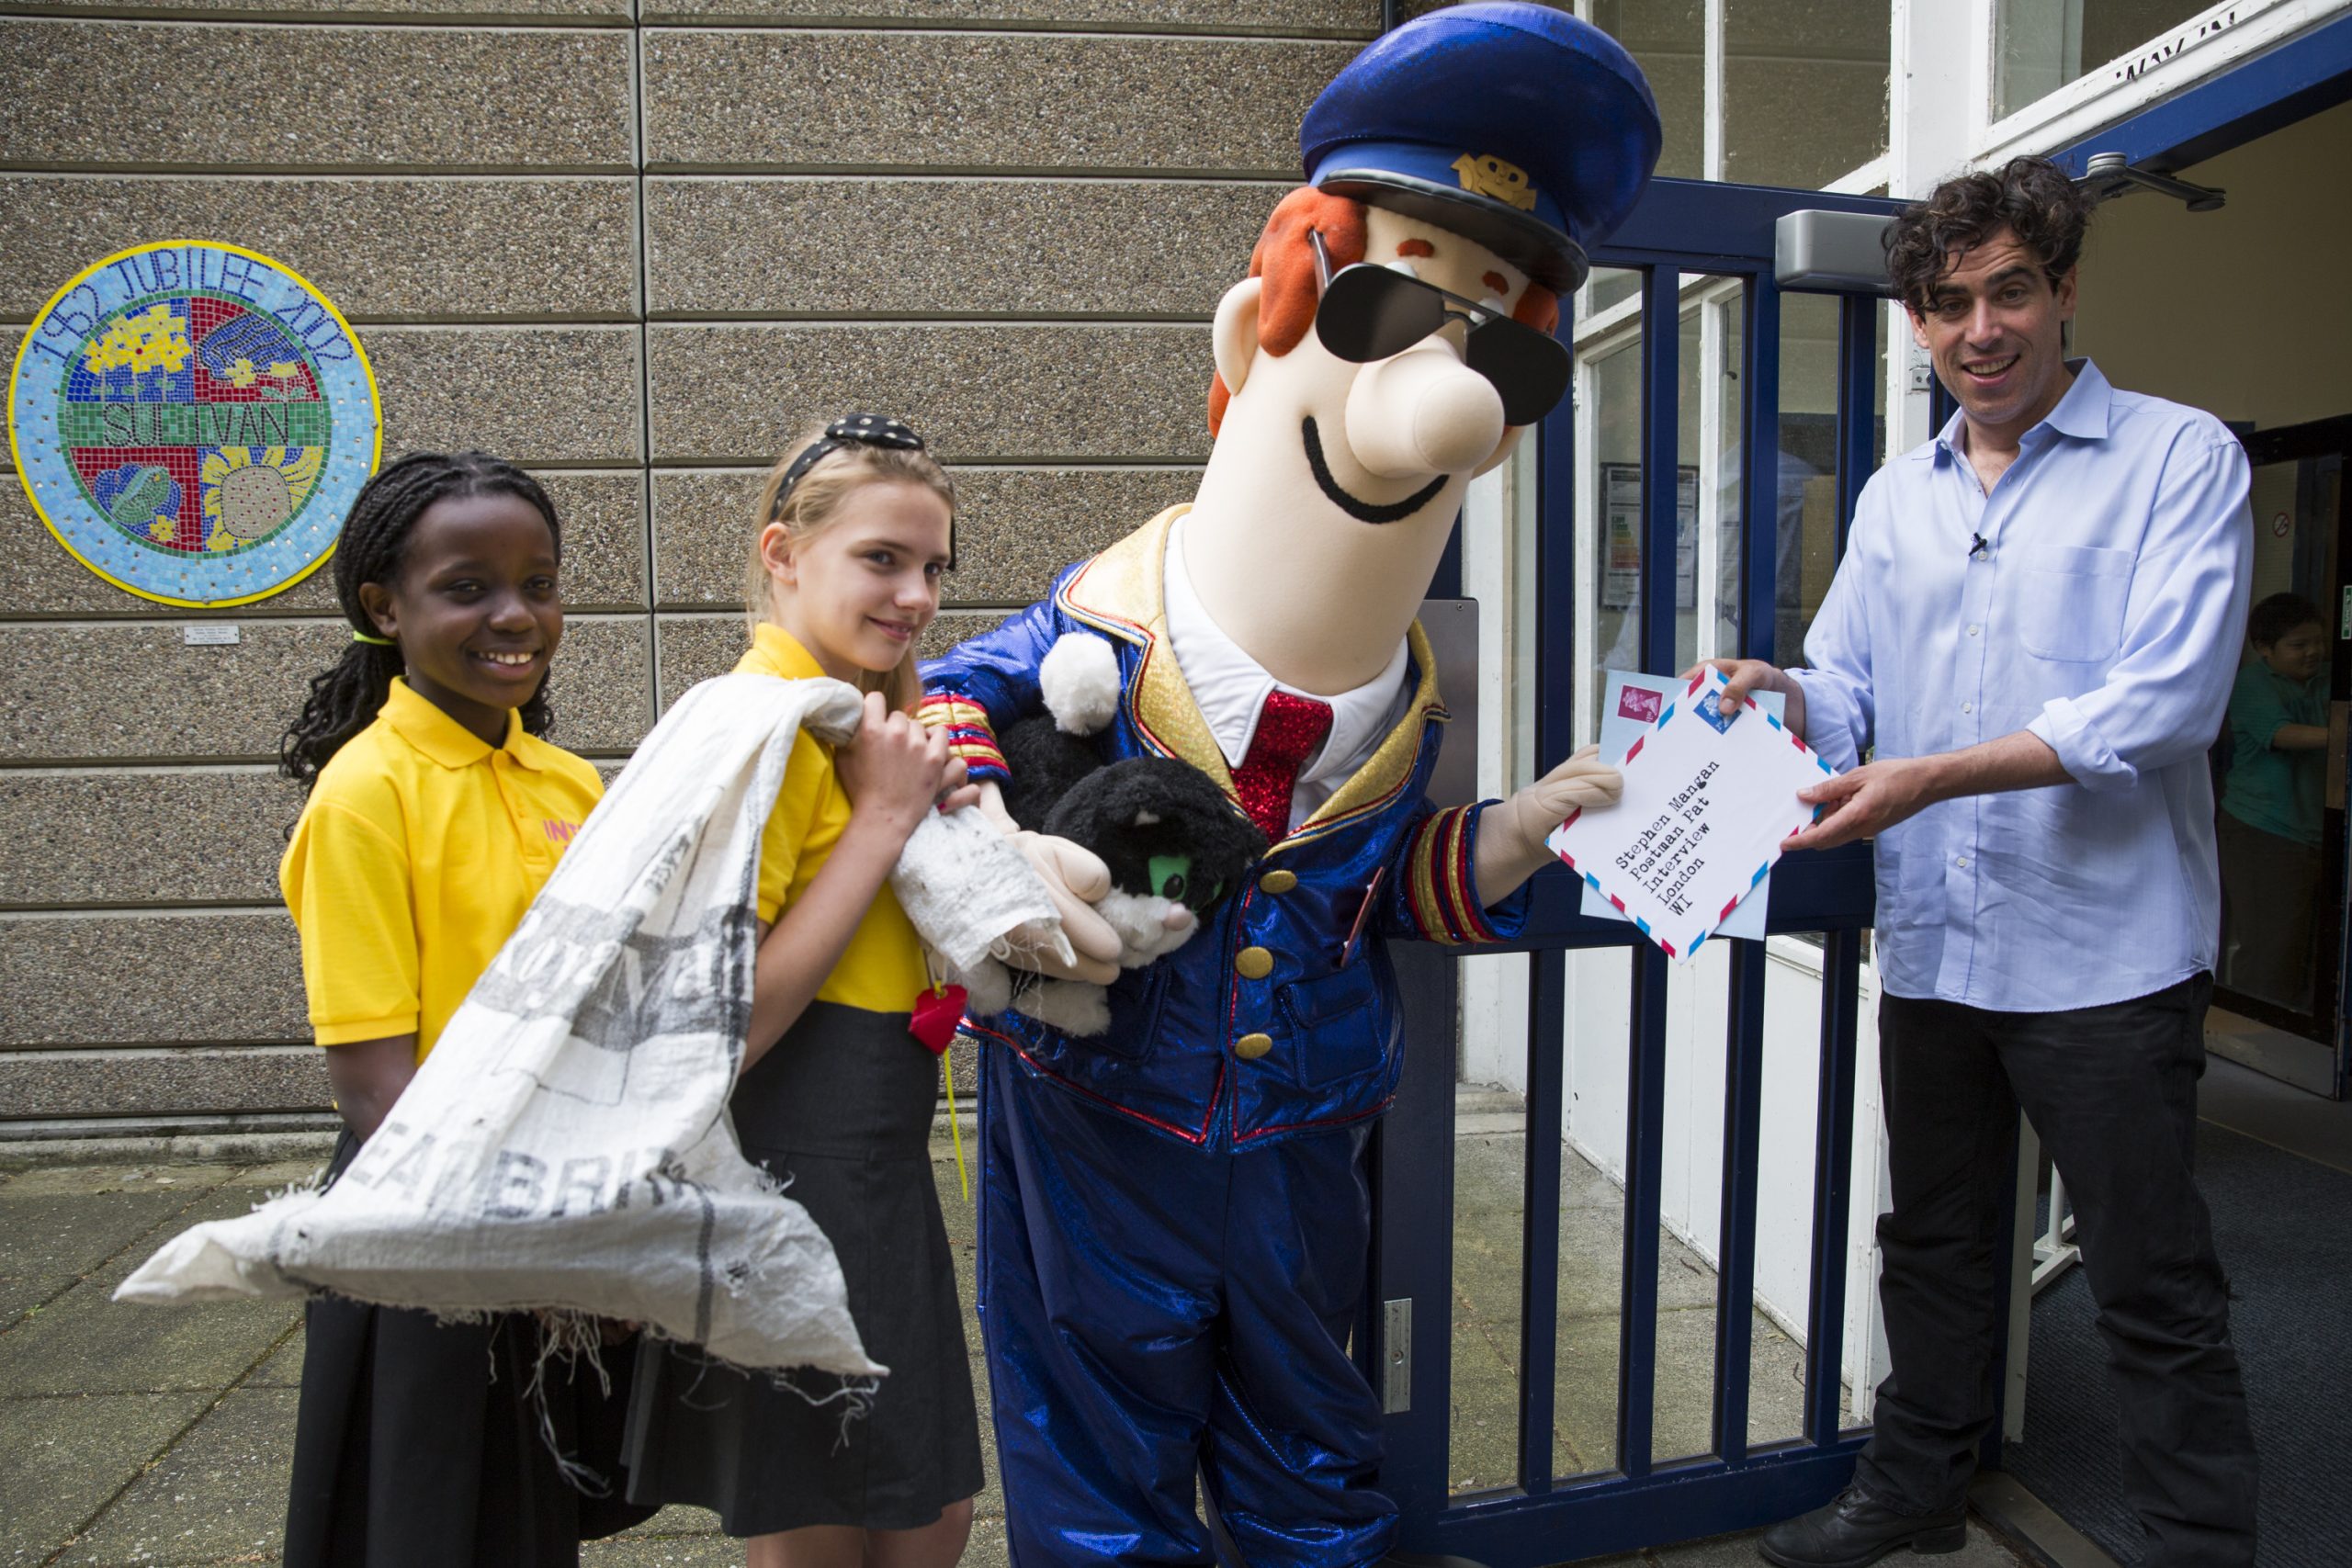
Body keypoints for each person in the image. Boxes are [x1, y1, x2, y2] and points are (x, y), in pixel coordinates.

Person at [919, 9, 1651, 1562]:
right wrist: (1004, 849)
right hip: (1106, 1121)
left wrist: (1513, 832)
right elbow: (938, 716)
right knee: (1100, 1443)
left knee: (1312, 1434)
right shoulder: (1098, 635)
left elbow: (1380, 882)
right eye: (1392, 303)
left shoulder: (1401, 689)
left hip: (1309, 1130)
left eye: (1501, 345)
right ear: (1265, 328)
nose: (1452, 391)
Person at [1702, 158, 2259, 1568]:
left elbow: (2168, 701)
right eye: (1947, 304)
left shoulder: (2181, 458)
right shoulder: (1899, 496)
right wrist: (1779, 690)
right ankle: (1919, 1489)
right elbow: (1851, 687)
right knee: (1937, 1248)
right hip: (1944, 942)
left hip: (2109, 958)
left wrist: (1930, 777)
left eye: (2011, 291)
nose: (1980, 330)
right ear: (1918, 322)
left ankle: (2199, 1545)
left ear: (2065, 290)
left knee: (2153, 1282)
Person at [622, 416, 986, 1568]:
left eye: (933, 566)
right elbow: (720, 1030)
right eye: (881, 559)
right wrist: (883, 822)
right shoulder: (770, 729)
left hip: (866, 1151)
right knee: (844, 1505)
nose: (917, 593)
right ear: (783, 554)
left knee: (891, 1497)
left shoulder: (846, 722)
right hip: (804, 1156)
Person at [277, 449, 652, 1566]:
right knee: (426, 1520)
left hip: (553, 1205)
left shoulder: (568, 782)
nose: (515, 615)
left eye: (538, 583)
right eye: (466, 587)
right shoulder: (365, 796)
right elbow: (375, 1087)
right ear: (383, 607)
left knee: (532, 1519)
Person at [2217, 592, 2329, 1006]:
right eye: (2298, 645)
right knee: (2269, 953)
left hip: (2317, 832)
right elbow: (2282, 735)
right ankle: (2255, 1045)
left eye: (2317, 641)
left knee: (2312, 952)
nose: (2313, 652)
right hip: (2262, 832)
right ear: (2265, 649)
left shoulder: (2330, 679)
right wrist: (2341, 737)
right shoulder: (2251, 683)